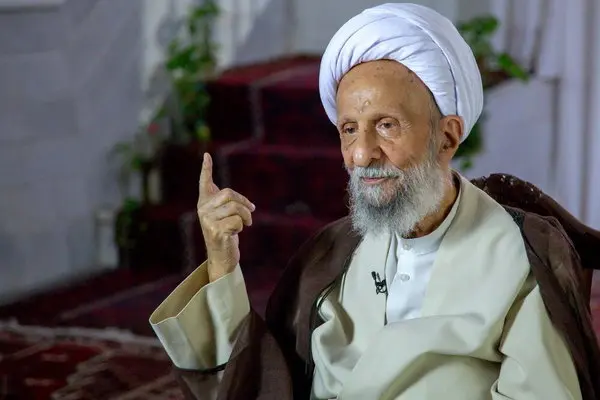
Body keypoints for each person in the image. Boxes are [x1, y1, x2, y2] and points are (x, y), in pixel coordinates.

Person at [149, 3, 600, 399]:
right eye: (349, 130)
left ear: (447, 138)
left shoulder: (519, 258)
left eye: (386, 125)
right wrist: (222, 264)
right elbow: (258, 383)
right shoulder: (331, 255)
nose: (362, 154)